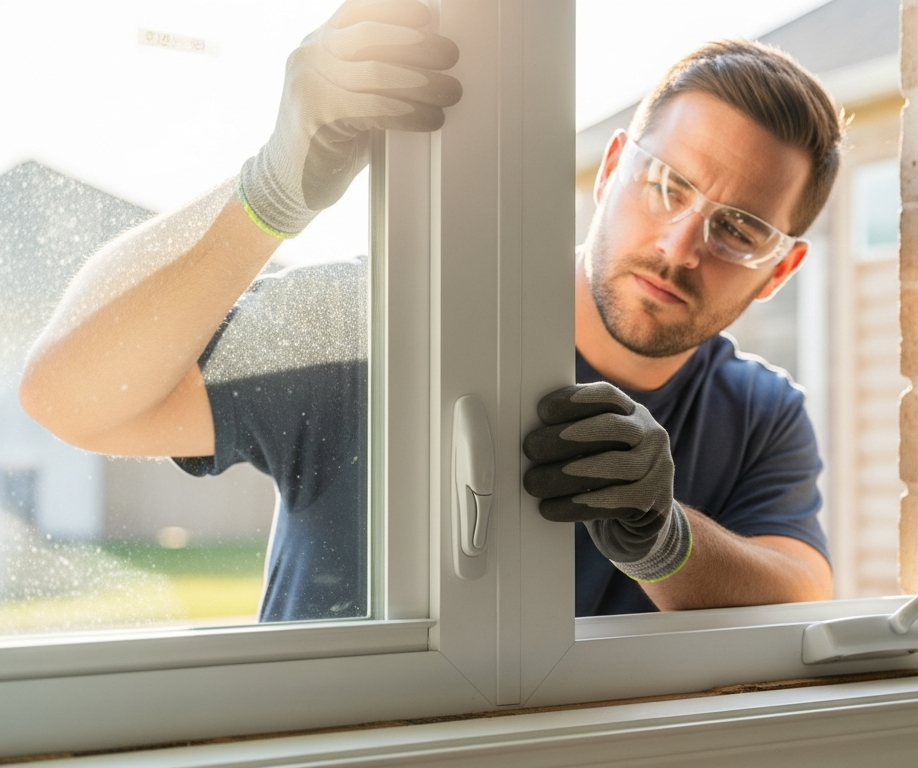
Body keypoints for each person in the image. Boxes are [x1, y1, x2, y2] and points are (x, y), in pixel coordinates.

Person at [19, 0, 842, 620]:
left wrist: (666, 539)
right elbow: (67, 398)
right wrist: (270, 191)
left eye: (738, 229)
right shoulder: (377, 321)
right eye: (668, 184)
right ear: (612, 167)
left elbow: (802, 597)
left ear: (780, 271)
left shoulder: (759, 413)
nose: (679, 245)